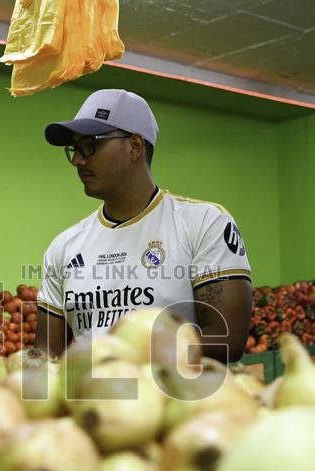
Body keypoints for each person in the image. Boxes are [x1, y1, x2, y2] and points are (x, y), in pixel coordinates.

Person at [34, 89, 253, 363]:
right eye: (75, 149)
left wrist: (126, 356)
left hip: (176, 400)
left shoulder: (204, 223)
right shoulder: (64, 246)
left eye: (89, 145)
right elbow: (46, 355)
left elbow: (227, 339)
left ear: (134, 146)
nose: (78, 160)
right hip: (93, 403)